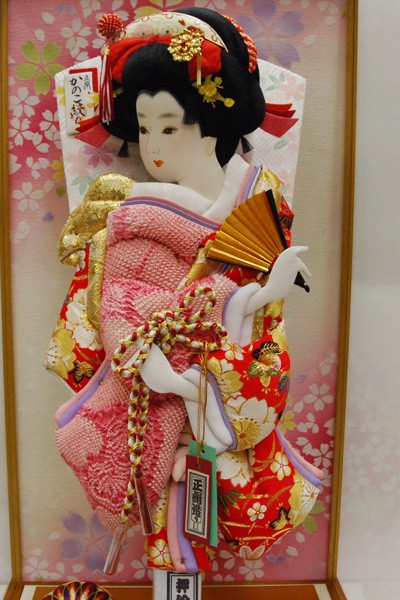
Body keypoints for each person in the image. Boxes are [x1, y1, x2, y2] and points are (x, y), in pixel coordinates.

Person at [50, 7, 323, 577]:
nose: (151, 146)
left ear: (212, 121)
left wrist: (254, 302)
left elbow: (259, 319)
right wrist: (161, 362)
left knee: (199, 503)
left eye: (169, 127)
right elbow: (116, 304)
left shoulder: (256, 199)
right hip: (147, 392)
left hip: (215, 389)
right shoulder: (130, 210)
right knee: (166, 525)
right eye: (144, 127)